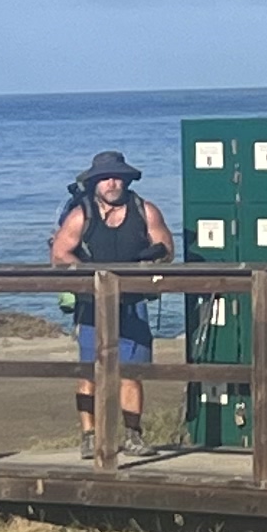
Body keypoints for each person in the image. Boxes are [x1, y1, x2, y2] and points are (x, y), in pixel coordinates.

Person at [50, 149, 173, 445]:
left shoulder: (146, 211)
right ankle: (89, 436)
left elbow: (167, 250)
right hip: (91, 304)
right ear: (95, 183)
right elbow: (59, 254)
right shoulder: (81, 215)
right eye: (105, 178)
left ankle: (133, 435)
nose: (112, 183)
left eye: (117, 177)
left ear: (127, 180)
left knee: (132, 372)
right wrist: (92, 276)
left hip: (133, 302)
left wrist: (149, 263)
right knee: (89, 372)